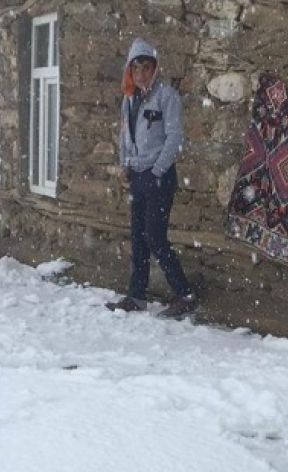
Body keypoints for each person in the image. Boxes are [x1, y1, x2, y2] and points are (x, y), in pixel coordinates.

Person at [104, 38, 198, 319]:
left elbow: (175, 137)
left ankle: (185, 294)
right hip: (136, 175)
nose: (141, 74)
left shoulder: (166, 97)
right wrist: (125, 165)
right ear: (130, 71)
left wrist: (157, 170)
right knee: (138, 238)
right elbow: (125, 135)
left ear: (154, 69)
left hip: (158, 176)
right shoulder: (129, 99)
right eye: (136, 69)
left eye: (146, 67)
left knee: (155, 236)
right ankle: (136, 296)